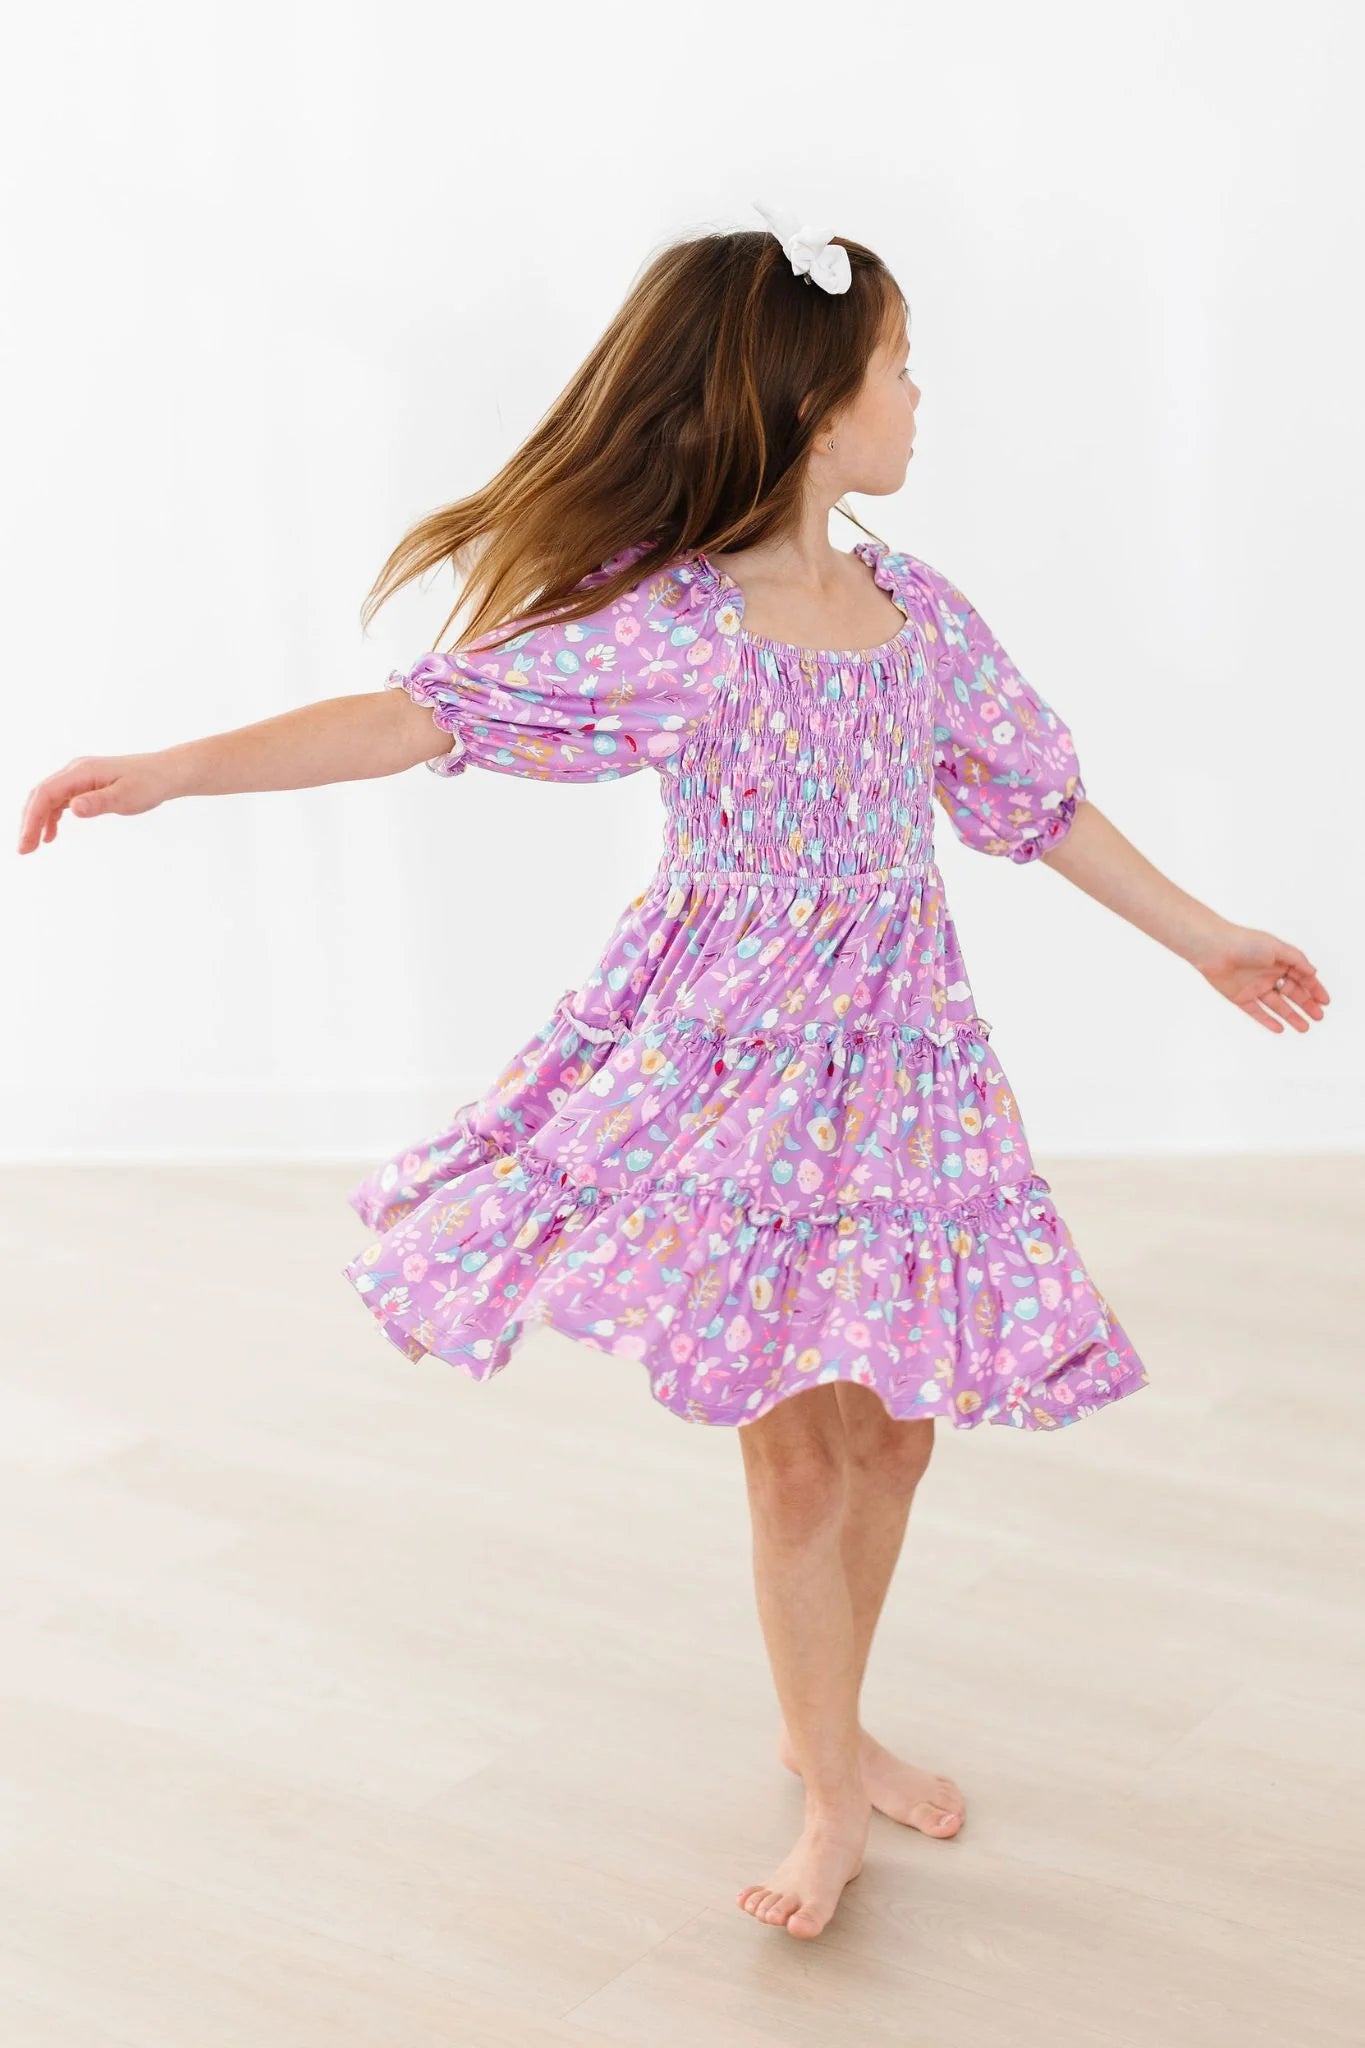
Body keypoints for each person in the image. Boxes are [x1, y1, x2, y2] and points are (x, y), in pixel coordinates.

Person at [15, 202, 1331, 1943]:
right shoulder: (677, 623)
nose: (921, 401)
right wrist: (175, 767)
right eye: (898, 373)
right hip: (729, 1077)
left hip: (901, 1070)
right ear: (808, 407)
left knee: (895, 1442)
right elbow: (430, 712)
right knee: (795, 1457)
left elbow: (1038, 803)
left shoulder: (921, 615)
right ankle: (829, 1785)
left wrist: (1205, 935)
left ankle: (829, 1723)